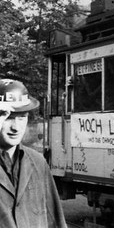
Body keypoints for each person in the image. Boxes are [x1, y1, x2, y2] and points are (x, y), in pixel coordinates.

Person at [0, 79, 67, 228]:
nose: (16, 127)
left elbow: (55, 221)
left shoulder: (37, 162)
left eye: (22, 117)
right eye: (9, 118)